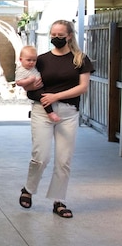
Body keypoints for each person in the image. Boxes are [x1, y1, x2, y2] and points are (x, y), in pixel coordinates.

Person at [18, 20, 94, 219]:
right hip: (42, 111)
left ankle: (58, 201)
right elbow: (29, 84)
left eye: (60, 35)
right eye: (53, 34)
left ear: (69, 36)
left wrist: (56, 96)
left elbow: (83, 87)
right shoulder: (41, 60)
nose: (56, 38)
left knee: (64, 160)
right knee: (41, 156)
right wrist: (31, 88)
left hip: (68, 112)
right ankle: (28, 188)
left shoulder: (80, 59)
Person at [15, 45, 60, 123]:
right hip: (33, 92)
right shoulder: (20, 70)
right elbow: (19, 82)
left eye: (34, 60)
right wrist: (29, 80)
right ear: (21, 60)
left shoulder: (33, 67)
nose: (31, 62)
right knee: (44, 98)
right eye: (28, 60)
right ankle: (50, 113)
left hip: (40, 87)